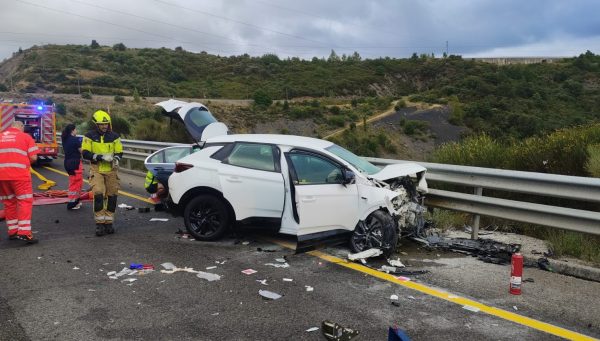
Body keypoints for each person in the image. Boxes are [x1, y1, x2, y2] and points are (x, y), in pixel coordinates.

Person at [81, 110, 123, 236]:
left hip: (111, 170)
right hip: (97, 169)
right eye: (102, 124)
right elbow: (85, 153)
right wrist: (100, 157)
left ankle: (109, 222)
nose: (105, 126)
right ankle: (99, 224)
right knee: (98, 193)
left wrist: (116, 159)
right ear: (96, 124)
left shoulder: (114, 136)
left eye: (106, 124)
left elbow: (119, 151)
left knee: (112, 195)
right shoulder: (89, 136)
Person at [0, 120, 39, 244]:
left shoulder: (1, 136)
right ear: (21, 127)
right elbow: (33, 157)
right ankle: (24, 232)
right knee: (25, 202)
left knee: (9, 202)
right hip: (19, 176)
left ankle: (13, 231)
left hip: (2, 177)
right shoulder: (25, 137)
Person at [61, 124, 83, 210]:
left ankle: (76, 201)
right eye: (76, 130)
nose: (76, 131)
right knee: (76, 184)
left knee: (75, 182)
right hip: (75, 163)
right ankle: (72, 203)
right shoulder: (75, 140)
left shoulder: (64, 139)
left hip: (67, 162)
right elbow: (81, 151)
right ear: (72, 130)